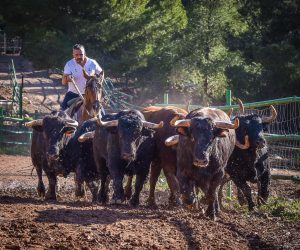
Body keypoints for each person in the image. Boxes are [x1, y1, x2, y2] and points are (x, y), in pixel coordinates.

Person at [61, 44, 103, 110]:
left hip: (91, 95)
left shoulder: (92, 63)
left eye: (81, 54)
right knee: (62, 113)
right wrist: (68, 79)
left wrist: (99, 83)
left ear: (84, 53)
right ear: (73, 55)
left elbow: (101, 73)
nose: (79, 57)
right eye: (76, 55)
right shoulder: (69, 64)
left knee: (101, 114)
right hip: (74, 94)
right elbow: (63, 82)